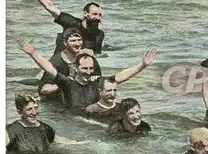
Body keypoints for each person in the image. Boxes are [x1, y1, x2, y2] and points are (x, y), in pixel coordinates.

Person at [17, 38, 157, 113]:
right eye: (85, 68)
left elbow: (121, 77)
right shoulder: (67, 83)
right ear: (76, 68)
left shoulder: (97, 82)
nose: (88, 72)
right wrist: (34, 53)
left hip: (93, 116)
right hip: (73, 120)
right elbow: (49, 68)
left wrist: (142, 65)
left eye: (91, 68)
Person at [25, 0, 105, 55]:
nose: (97, 18)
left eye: (100, 15)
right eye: (94, 14)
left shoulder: (99, 34)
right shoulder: (71, 22)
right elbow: (49, 6)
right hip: (59, 61)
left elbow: (94, 56)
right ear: (85, 14)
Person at [6, 93, 84, 153]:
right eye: (29, 109)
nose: (34, 112)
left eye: (36, 108)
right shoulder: (11, 131)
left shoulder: (45, 128)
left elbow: (58, 140)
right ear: (20, 112)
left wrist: (84, 143)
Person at [39, 27, 101, 96]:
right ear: (65, 43)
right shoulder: (56, 61)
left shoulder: (88, 58)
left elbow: (98, 79)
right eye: (73, 41)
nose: (77, 44)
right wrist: (65, 84)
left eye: (79, 40)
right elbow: (43, 89)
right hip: (60, 97)